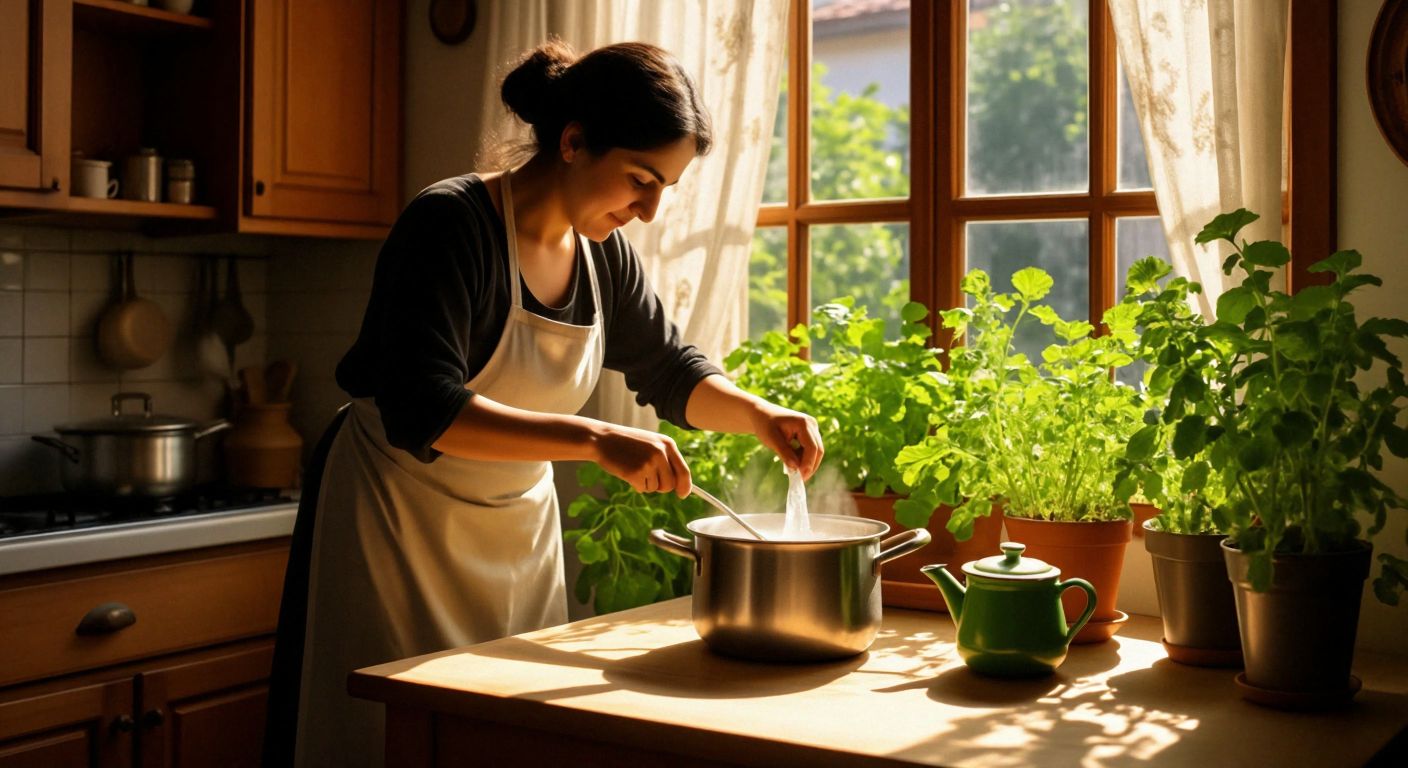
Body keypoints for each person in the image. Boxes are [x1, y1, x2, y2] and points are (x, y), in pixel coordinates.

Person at [262, 40, 825, 768]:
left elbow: (669, 369)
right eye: (640, 180)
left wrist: (759, 415)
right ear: (572, 143)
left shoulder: (602, 254)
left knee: (503, 738)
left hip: (515, 536)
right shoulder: (449, 224)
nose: (649, 212)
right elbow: (424, 408)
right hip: (393, 525)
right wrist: (593, 440)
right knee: (383, 740)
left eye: (665, 189)